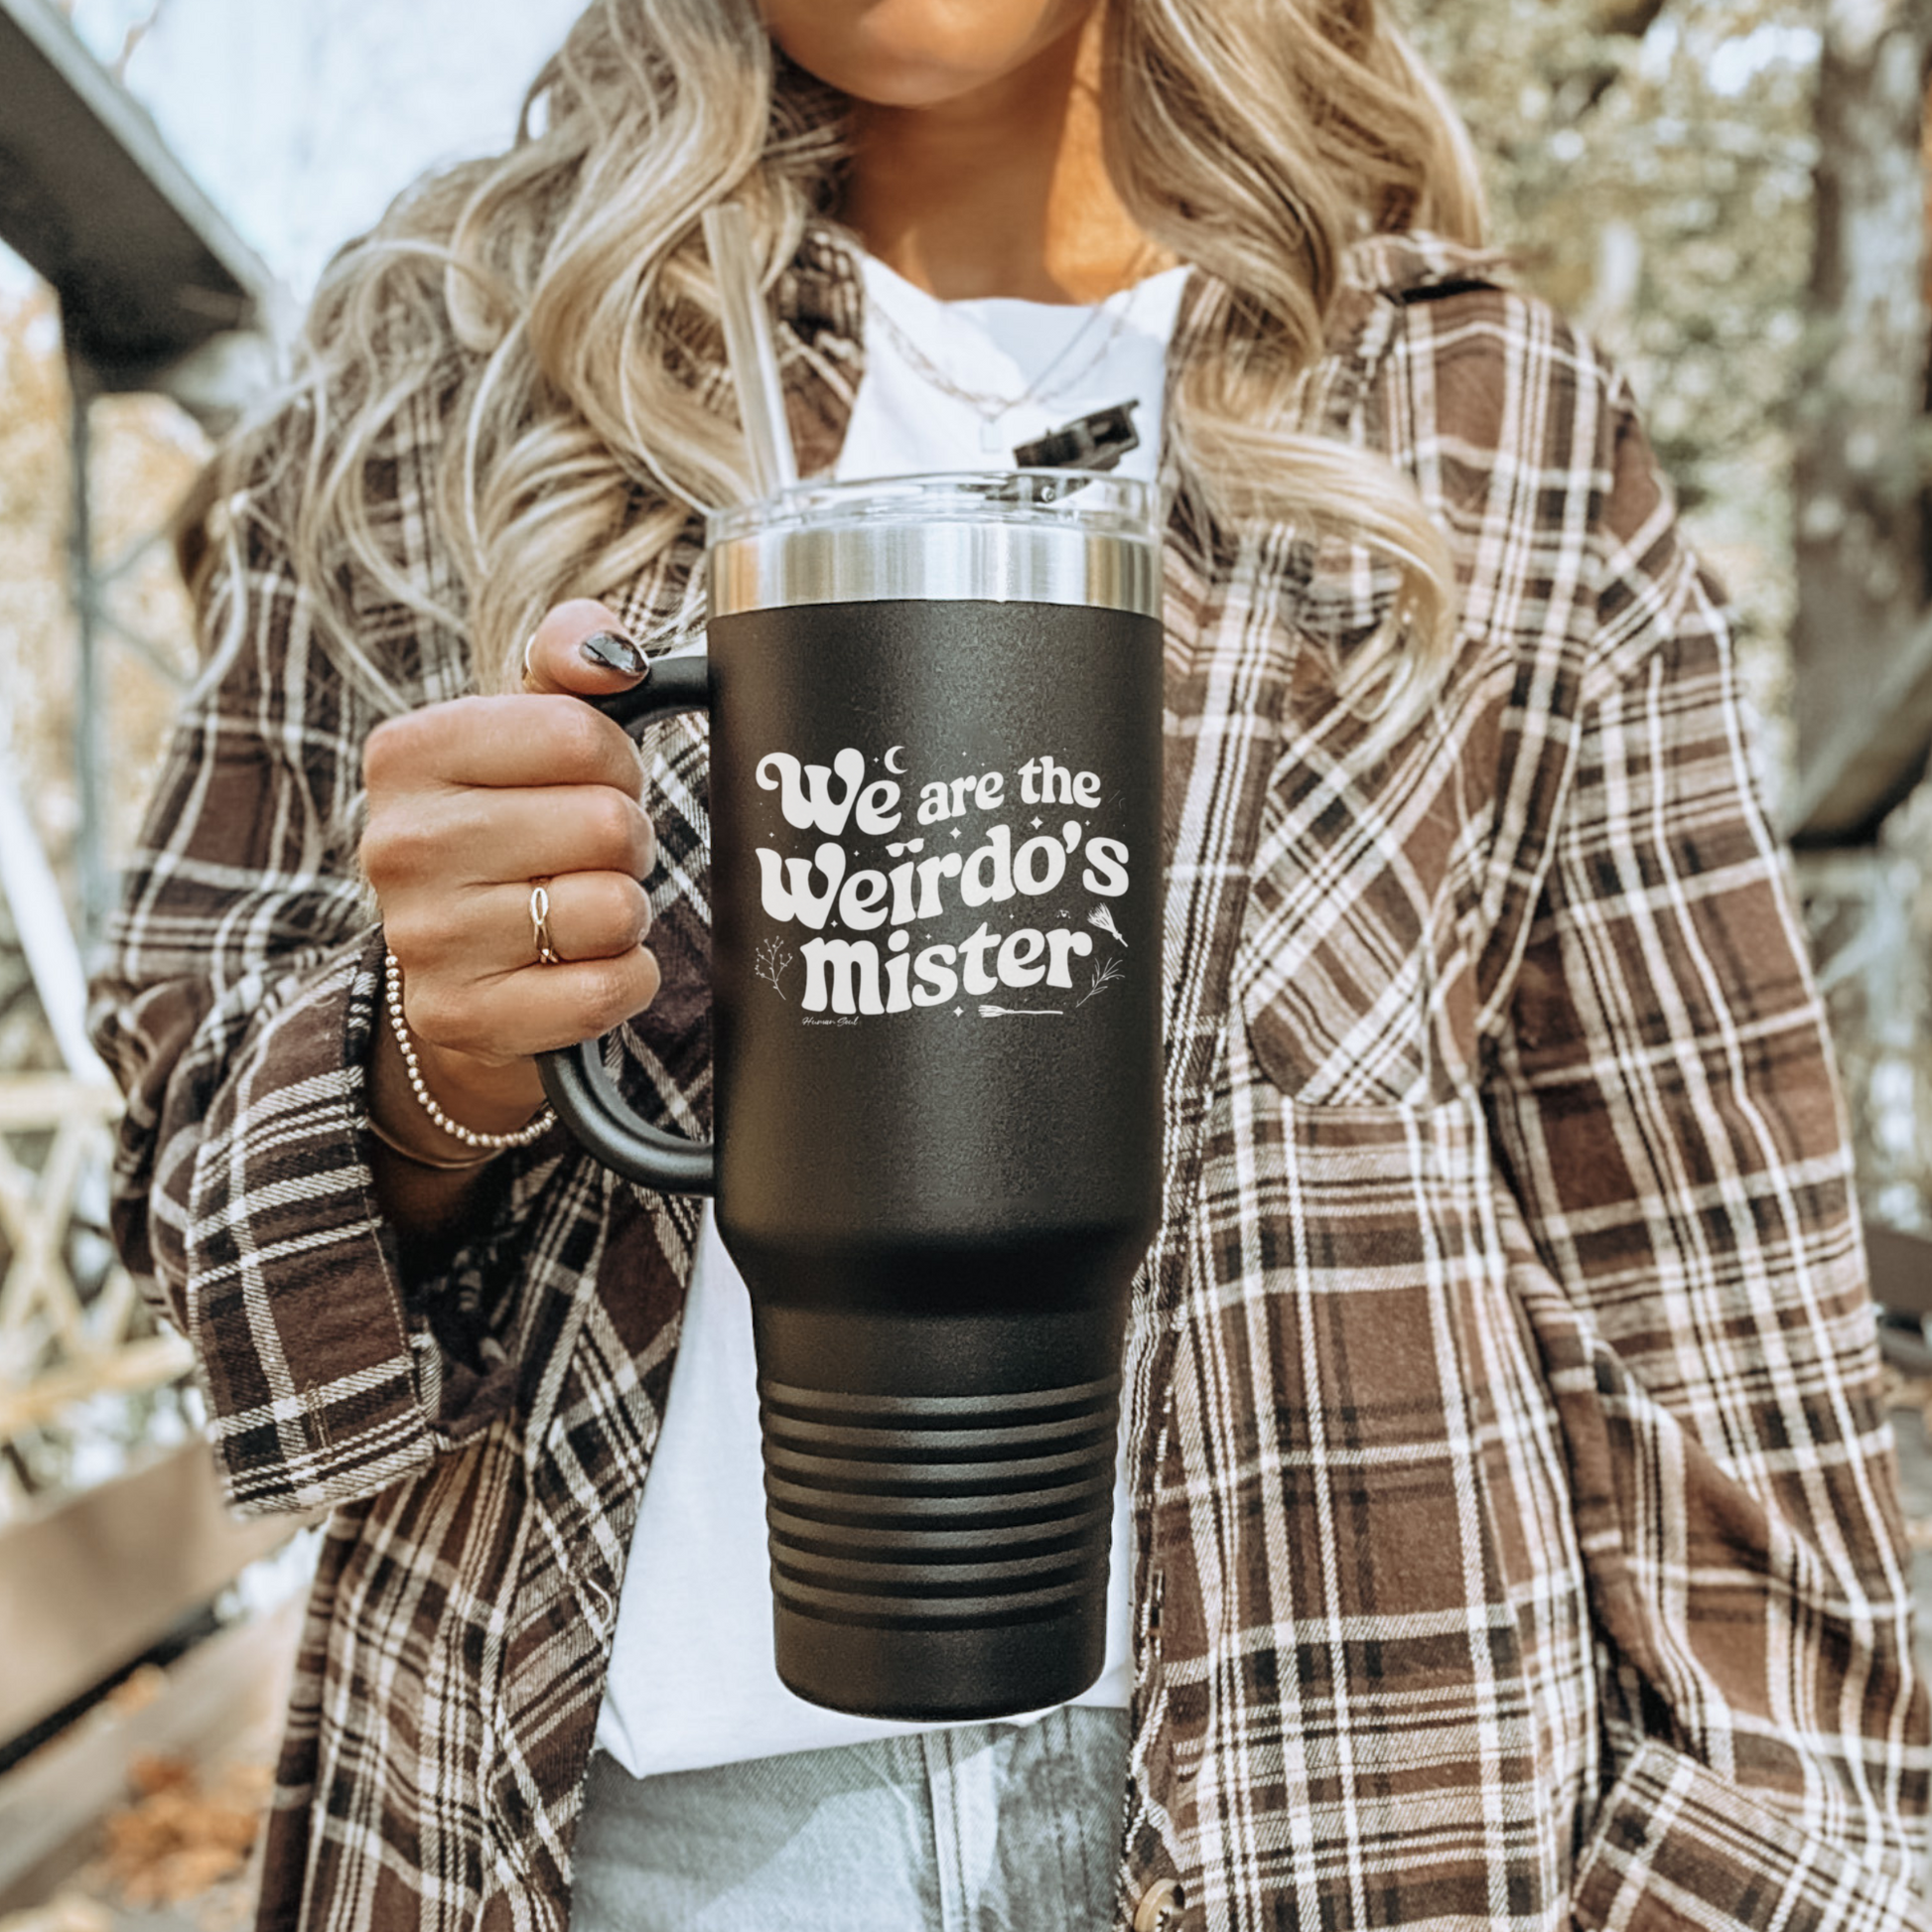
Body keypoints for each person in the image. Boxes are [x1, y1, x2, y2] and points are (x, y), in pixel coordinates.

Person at [89, 1, 1929, 1928]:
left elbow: (1709, 1272)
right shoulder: (439, 359)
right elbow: (178, 1167)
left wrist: (1753, 1864)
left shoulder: (1473, 409)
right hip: (630, 1843)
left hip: (1384, 1810)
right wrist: (433, 1057)